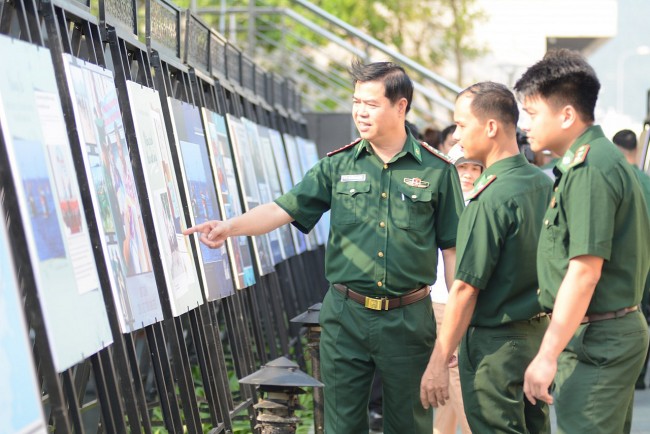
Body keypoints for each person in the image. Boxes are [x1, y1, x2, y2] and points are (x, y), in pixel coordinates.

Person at [183, 60, 465, 434]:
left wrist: (455, 333)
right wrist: (228, 227)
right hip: (346, 316)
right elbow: (284, 208)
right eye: (356, 102)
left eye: (371, 103)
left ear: (401, 107)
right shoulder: (337, 165)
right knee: (340, 425)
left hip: (409, 320)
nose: (360, 112)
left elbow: (452, 252)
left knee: (409, 424)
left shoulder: (437, 171)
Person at [514, 49, 650, 434]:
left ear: (567, 115)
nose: (526, 125)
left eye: (533, 113)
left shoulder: (589, 167)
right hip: (601, 334)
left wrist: (546, 355)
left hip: (599, 340)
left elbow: (585, 272)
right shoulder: (592, 161)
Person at [420, 81, 553, 434]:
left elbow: (465, 287)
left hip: (495, 347)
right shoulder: (543, 184)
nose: (459, 138)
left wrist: (439, 357)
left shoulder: (490, 197)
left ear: (491, 127)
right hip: (538, 336)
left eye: (462, 125)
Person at [429, 147, 482, 434]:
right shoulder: (445, 200)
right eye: (463, 168)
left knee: (451, 374)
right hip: (442, 299)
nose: (469, 174)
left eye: (475, 168)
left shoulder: (480, 202)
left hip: (461, 300)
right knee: (453, 373)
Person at [612, 128, 650, 390]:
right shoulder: (646, 181)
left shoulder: (615, 179)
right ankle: (638, 377)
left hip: (622, 267)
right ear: (635, 149)